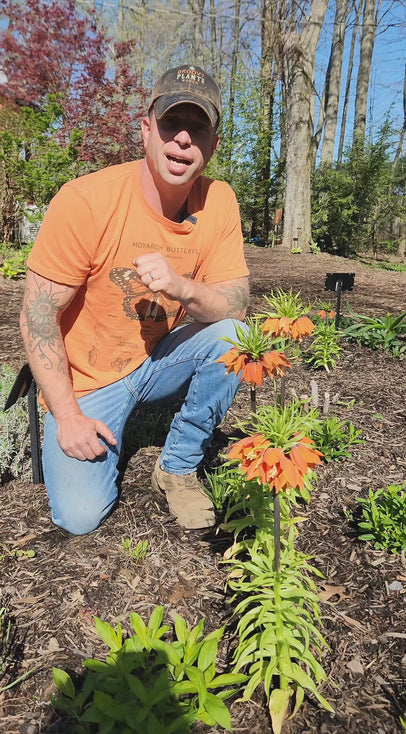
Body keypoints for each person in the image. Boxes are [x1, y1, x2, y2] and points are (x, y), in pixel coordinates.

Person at [20, 64, 250, 536]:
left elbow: (235, 303)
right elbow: (38, 315)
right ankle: (100, 424)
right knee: (81, 516)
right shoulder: (87, 200)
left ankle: (179, 465)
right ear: (146, 130)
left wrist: (183, 287)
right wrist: (67, 416)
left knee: (236, 336)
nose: (183, 139)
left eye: (198, 127)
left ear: (214, 144)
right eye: (171, 123)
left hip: (157, 360)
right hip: (88, 384)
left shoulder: (219, 201)